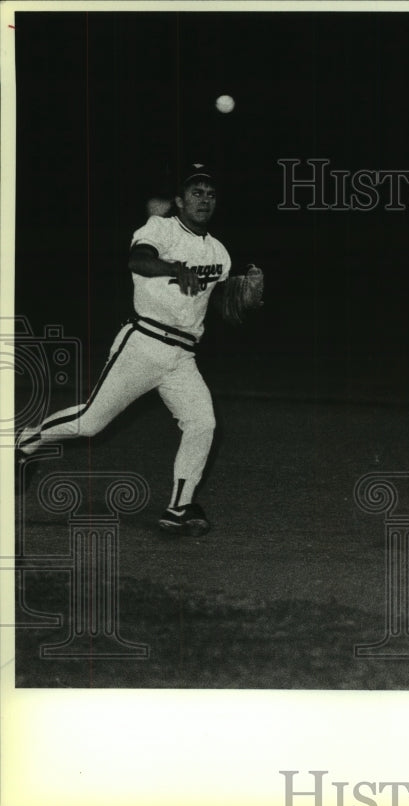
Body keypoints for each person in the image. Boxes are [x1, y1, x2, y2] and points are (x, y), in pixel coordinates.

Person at [16, 163, 261, 536]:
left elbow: (217, 305)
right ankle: (26, 442)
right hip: (143, 345)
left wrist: (243, 299)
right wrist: (175, 268)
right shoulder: (159, 228)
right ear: (179, 200)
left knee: (202, 424)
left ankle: (179, 507)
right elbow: (138, 260)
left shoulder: (220, 252)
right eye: (196, 193)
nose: (204, 200)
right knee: (89, 423)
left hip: (182, 357)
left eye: (210, 194)